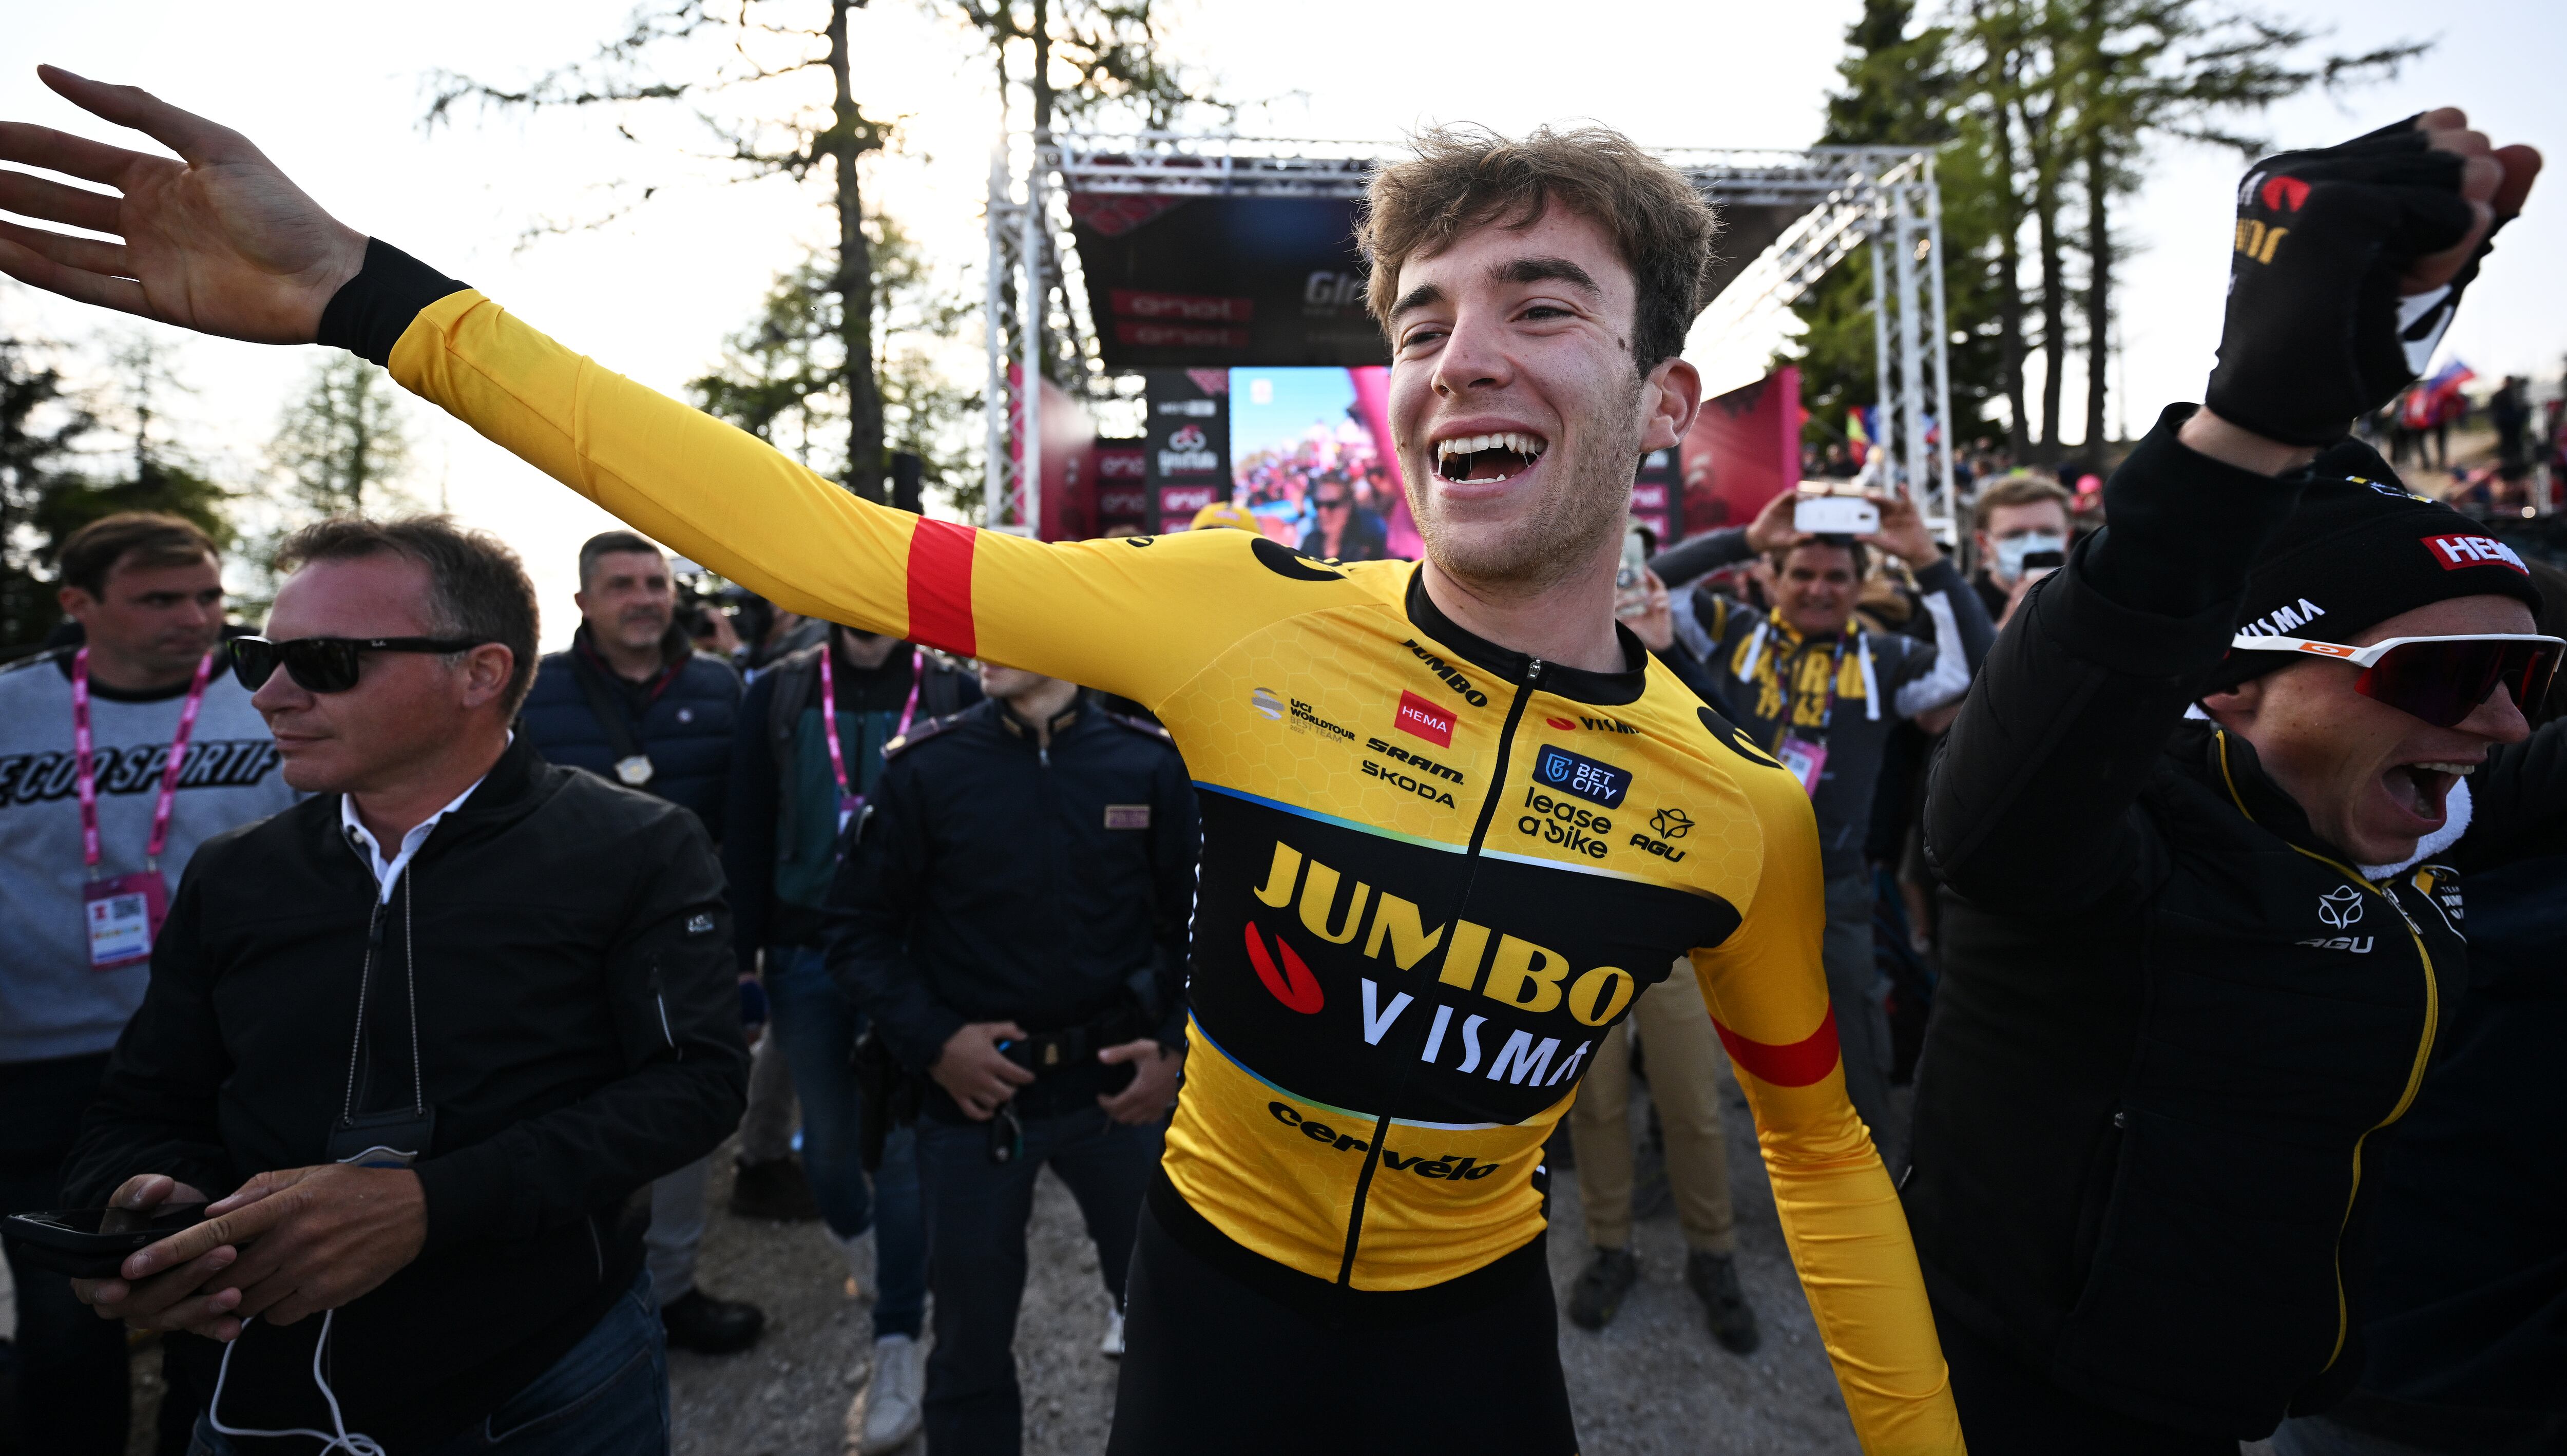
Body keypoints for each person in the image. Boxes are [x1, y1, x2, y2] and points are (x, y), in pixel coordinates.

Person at [0, 83, 1966, 1451]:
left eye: (1543, 305)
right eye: (1423, 319)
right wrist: (373, 300)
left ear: (1665, 396)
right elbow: (807, 541)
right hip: (1213, 1296)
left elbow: (1821, 1159)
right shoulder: (1235, 610)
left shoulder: (1740, 808)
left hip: (1469, 1337)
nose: (1463, 355)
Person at [1908, 111, 2555, 1452]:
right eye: (2444, 678)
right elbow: (2018, 775)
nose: (2499, 721)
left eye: (2530, 673)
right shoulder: (2092, 856)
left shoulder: (2431, 807)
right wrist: (2248, 419)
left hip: (2290, 1391)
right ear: (2228, 680)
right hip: (2049, 1404)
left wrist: (2391, 330)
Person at [52, 515, 748, 1454]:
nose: (271, 694)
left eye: (328, 659)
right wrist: (143, 1209)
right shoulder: (236, 871)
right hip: (269, 1376)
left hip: (547, 1369)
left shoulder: (634, 846)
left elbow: (693, 1084)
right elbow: (143, 1100)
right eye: (260, 656)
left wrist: (431, 1205)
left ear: (480, 672)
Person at [828, 661, 1196, 1455]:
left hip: (1117, 1097)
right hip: (974, 1105)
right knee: (968, 1344)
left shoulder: (1149, 764)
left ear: (1060, 632)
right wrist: (935, 1043)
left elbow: (1200, 926)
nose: (980, 645)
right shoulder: (925, 768)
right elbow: (855, 934)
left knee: (1175, 1330)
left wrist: (1174, 1045)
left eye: (1007, 623)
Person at [0, 513, 298, 1456]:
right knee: (62, 1315)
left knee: (217, 1298)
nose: (196, 617)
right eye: (160, 598)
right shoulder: (12, 710)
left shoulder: (271, 702)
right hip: (38, 1062)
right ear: (77, 604)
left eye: (209, 594)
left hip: (217, 1054)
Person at [2266, 560, 2567, 1456]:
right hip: (2376, 1386)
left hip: (2364, 1371)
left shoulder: (2317, 884)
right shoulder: (2309, 881)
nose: (2493, 714)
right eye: (2439, 677)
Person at [1649, 489, 1996, 1158]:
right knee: (1684, 1042)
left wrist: (1926, 559)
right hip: (1715, 877)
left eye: (1837, 576)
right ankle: (1673, 1162)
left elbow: (1979, 664)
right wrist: (1746, 539)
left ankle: (1870, 1175)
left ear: (1860, 584)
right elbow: (1654, 583)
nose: (1817, 588)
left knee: (1854, 1044)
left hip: (1830, 889)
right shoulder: (1731, 629)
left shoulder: (1885, 658)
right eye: (1800, 573)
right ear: (1771, 579)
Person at [726, 622, 975, 1451]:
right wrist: (742, 958)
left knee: (901, 1153)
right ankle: (872, 1253)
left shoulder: (951, 688)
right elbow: (750, 822)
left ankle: (898, 1334)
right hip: (806, 949)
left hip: (914, 955)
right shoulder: (782, 691)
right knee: (830, 1151)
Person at [519, 529, 765, 1357]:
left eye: (655, 581)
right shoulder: (534, 691)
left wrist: (744, 941)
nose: (644, 597)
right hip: (561, 952)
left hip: (687, 950)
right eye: (622, 583)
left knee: (682, 1128)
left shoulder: (721, 687)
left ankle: (670, 1290)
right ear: (583, 599)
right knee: (560, 1116)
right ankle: (564, 1302)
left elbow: (749, 819)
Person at [1558, 959, 1758, 1353]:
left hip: (1678, 937)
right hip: (1589, 942)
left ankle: (1712, 1250)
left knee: (1692, 1110)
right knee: (1595, 1106)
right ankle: (1610, 1245)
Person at [1966, 472, 2074, 622]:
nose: (2034, 547)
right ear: (1983, 542)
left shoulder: (2093, 599)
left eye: (2047, 532)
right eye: (2015, 535)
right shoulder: (1958, 609)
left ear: (2067, 537)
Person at [1298, 471, 1389, 562]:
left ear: (1348, 506)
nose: (1322, 512)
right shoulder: (1310, 544)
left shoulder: (1366, 547)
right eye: (1317, 504)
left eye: (1331, 505)